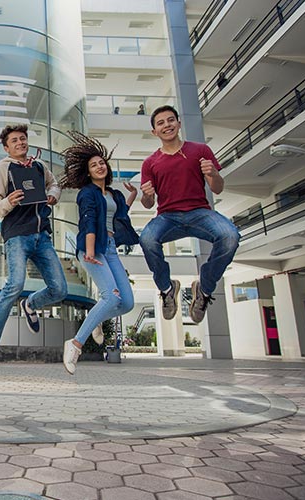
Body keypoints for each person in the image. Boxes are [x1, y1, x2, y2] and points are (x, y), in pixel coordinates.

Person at [0, 124, 67, 375]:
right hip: (17, 234)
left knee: (59, 289)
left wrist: (53, 195)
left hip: (43, 236)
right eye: (14, 140)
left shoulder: (39, 166)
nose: (20, 142)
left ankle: (31, 304)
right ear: (7, 147)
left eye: (23, 139)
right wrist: (9, 201)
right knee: (15, 283)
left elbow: (54, 185)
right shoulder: (4, 167)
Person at [139, 105, 240, 324]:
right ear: (154, 132)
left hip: (200, 213)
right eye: (161, 123)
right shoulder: (150, 163)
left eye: (170, 120)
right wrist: (146, 196)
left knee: (230, 236)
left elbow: (218, 188)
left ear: (179, 123)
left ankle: (204, 288)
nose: (167, 125)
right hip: (168, 217)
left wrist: (213, 173)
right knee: (146, 238)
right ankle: (167, 289)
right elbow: (148, 204)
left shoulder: (200, 150)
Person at [58, 132, 136, 374]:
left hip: (110, 250)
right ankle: (75, 344)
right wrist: (90, 250)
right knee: (111, 297)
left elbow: (119, 214)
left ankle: (97, 319)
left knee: (128, 302)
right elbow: (89, 221)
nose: (99, 166)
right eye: (94, 165)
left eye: (101, 162)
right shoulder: (87, 193)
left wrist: (132, 195)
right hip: (93, 248)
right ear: (87, 172)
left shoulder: (113, 194)